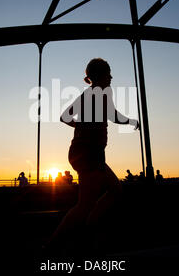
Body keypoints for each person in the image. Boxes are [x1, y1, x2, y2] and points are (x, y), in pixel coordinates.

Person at [45, 58, 140, 252]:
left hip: (89, 152)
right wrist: (131, 121)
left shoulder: (95, 93)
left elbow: (68, 117)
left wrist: (129, 121)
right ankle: (52, 246)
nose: (111, 77)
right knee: (85, 204)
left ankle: (89, 228)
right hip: (87, 153)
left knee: (115, 190)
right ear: (99, 76)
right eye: (108, 73)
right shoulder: (95, 94)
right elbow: (111, 116)